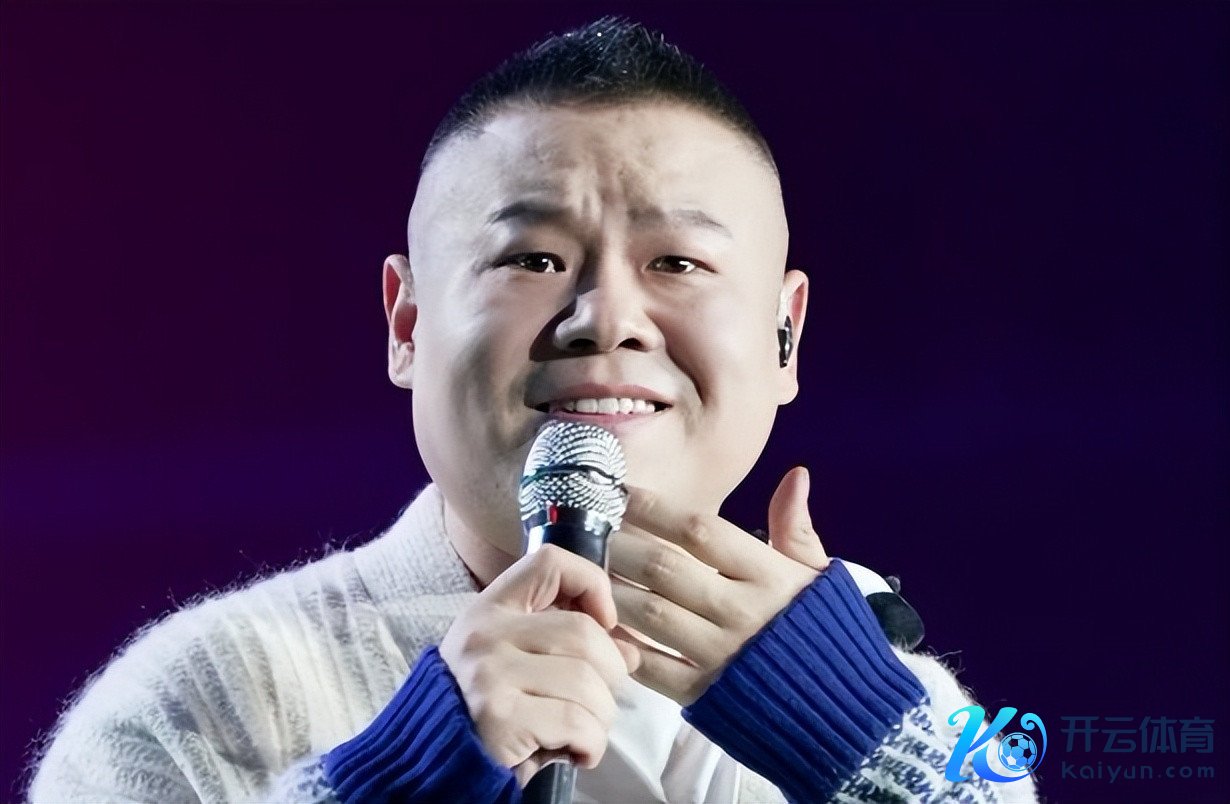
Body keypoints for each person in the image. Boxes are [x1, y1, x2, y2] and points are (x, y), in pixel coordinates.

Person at [29, 16, 1039, 804]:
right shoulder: (198, 699)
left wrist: (865, 743)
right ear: (408, 323)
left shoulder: (899, 709)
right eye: (534, 259)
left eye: (678, 262)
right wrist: (400, 779)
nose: (608, 319)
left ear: (785, 336)